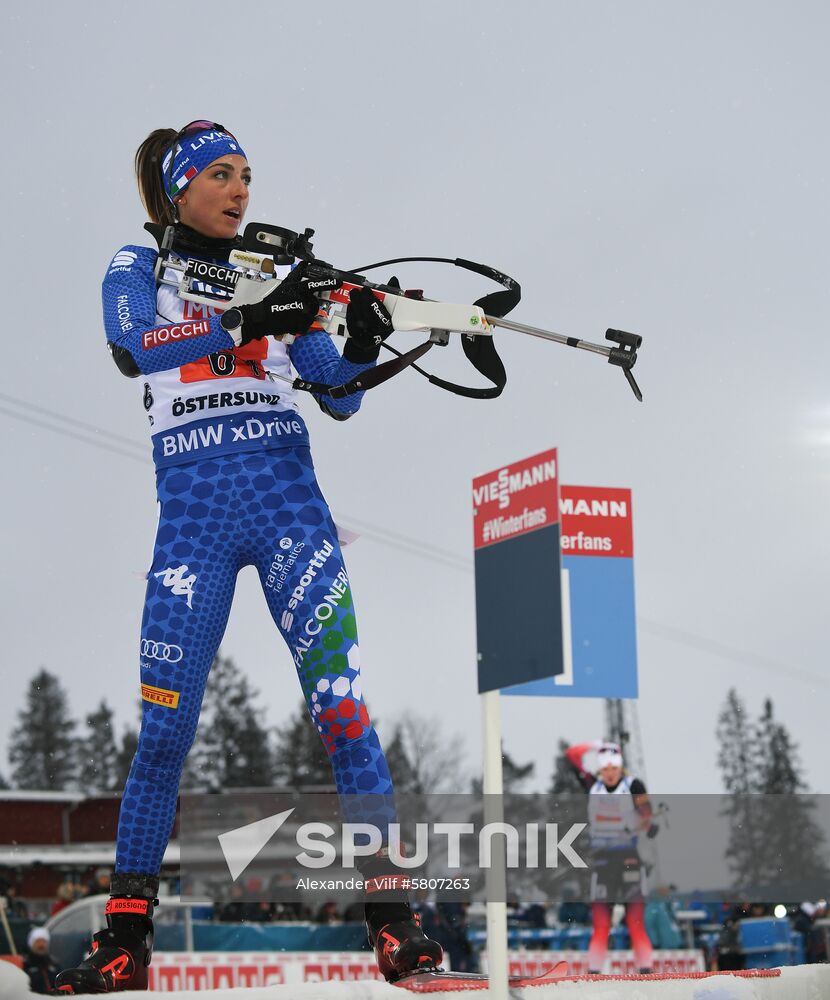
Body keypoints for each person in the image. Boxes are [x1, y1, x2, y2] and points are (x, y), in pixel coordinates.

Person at [55, 120, 442, 994]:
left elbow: (338, 399)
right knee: (162, 733)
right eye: (222, 175)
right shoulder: (138, 266)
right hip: (192, 512)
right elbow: (130, 349)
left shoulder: (278, 273)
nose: (240, 191)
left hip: (285, 503)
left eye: (249, 177)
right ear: (178, 187)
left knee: (342, 710)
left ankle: (395, 922)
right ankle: (125, 938)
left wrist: (362, 343)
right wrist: (244, 319)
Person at [565, 740, 657, 975]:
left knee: (635, 923)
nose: (609, 774)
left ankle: (646, 971)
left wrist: (641, 822)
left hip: (630, 861)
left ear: (620, 768)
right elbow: (572, 755)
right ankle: (594, 973)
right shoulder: (592, 786)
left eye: (613, 769)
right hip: (603, 864)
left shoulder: (633, 785)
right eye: (605, 769)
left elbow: (647, 813)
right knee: (601, 925)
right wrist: (597, 745)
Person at [23, 927, 61, 995]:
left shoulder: (54, 964)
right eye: (38, 941)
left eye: (44, 941)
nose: (41, 945)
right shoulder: (25, 964)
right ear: (31, 944)